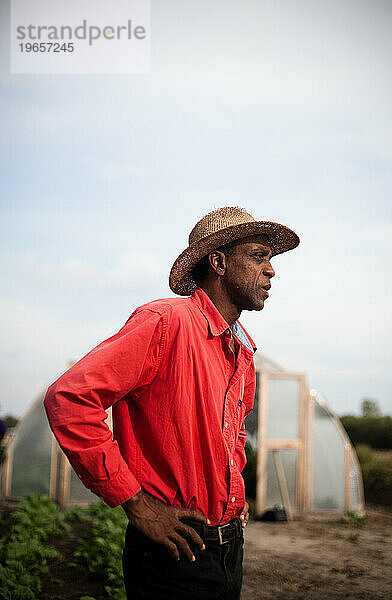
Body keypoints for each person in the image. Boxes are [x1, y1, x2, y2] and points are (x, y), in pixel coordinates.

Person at [44, 206, 299, 600]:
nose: (271, 270)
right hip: (173, 548)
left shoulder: (241, 348)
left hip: (228, 545)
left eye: (271, 259)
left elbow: (233, 433)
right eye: (257, 255)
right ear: (218, 261)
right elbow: (70, 399)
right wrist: (136, 503)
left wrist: (234, 497)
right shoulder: (166, 322)